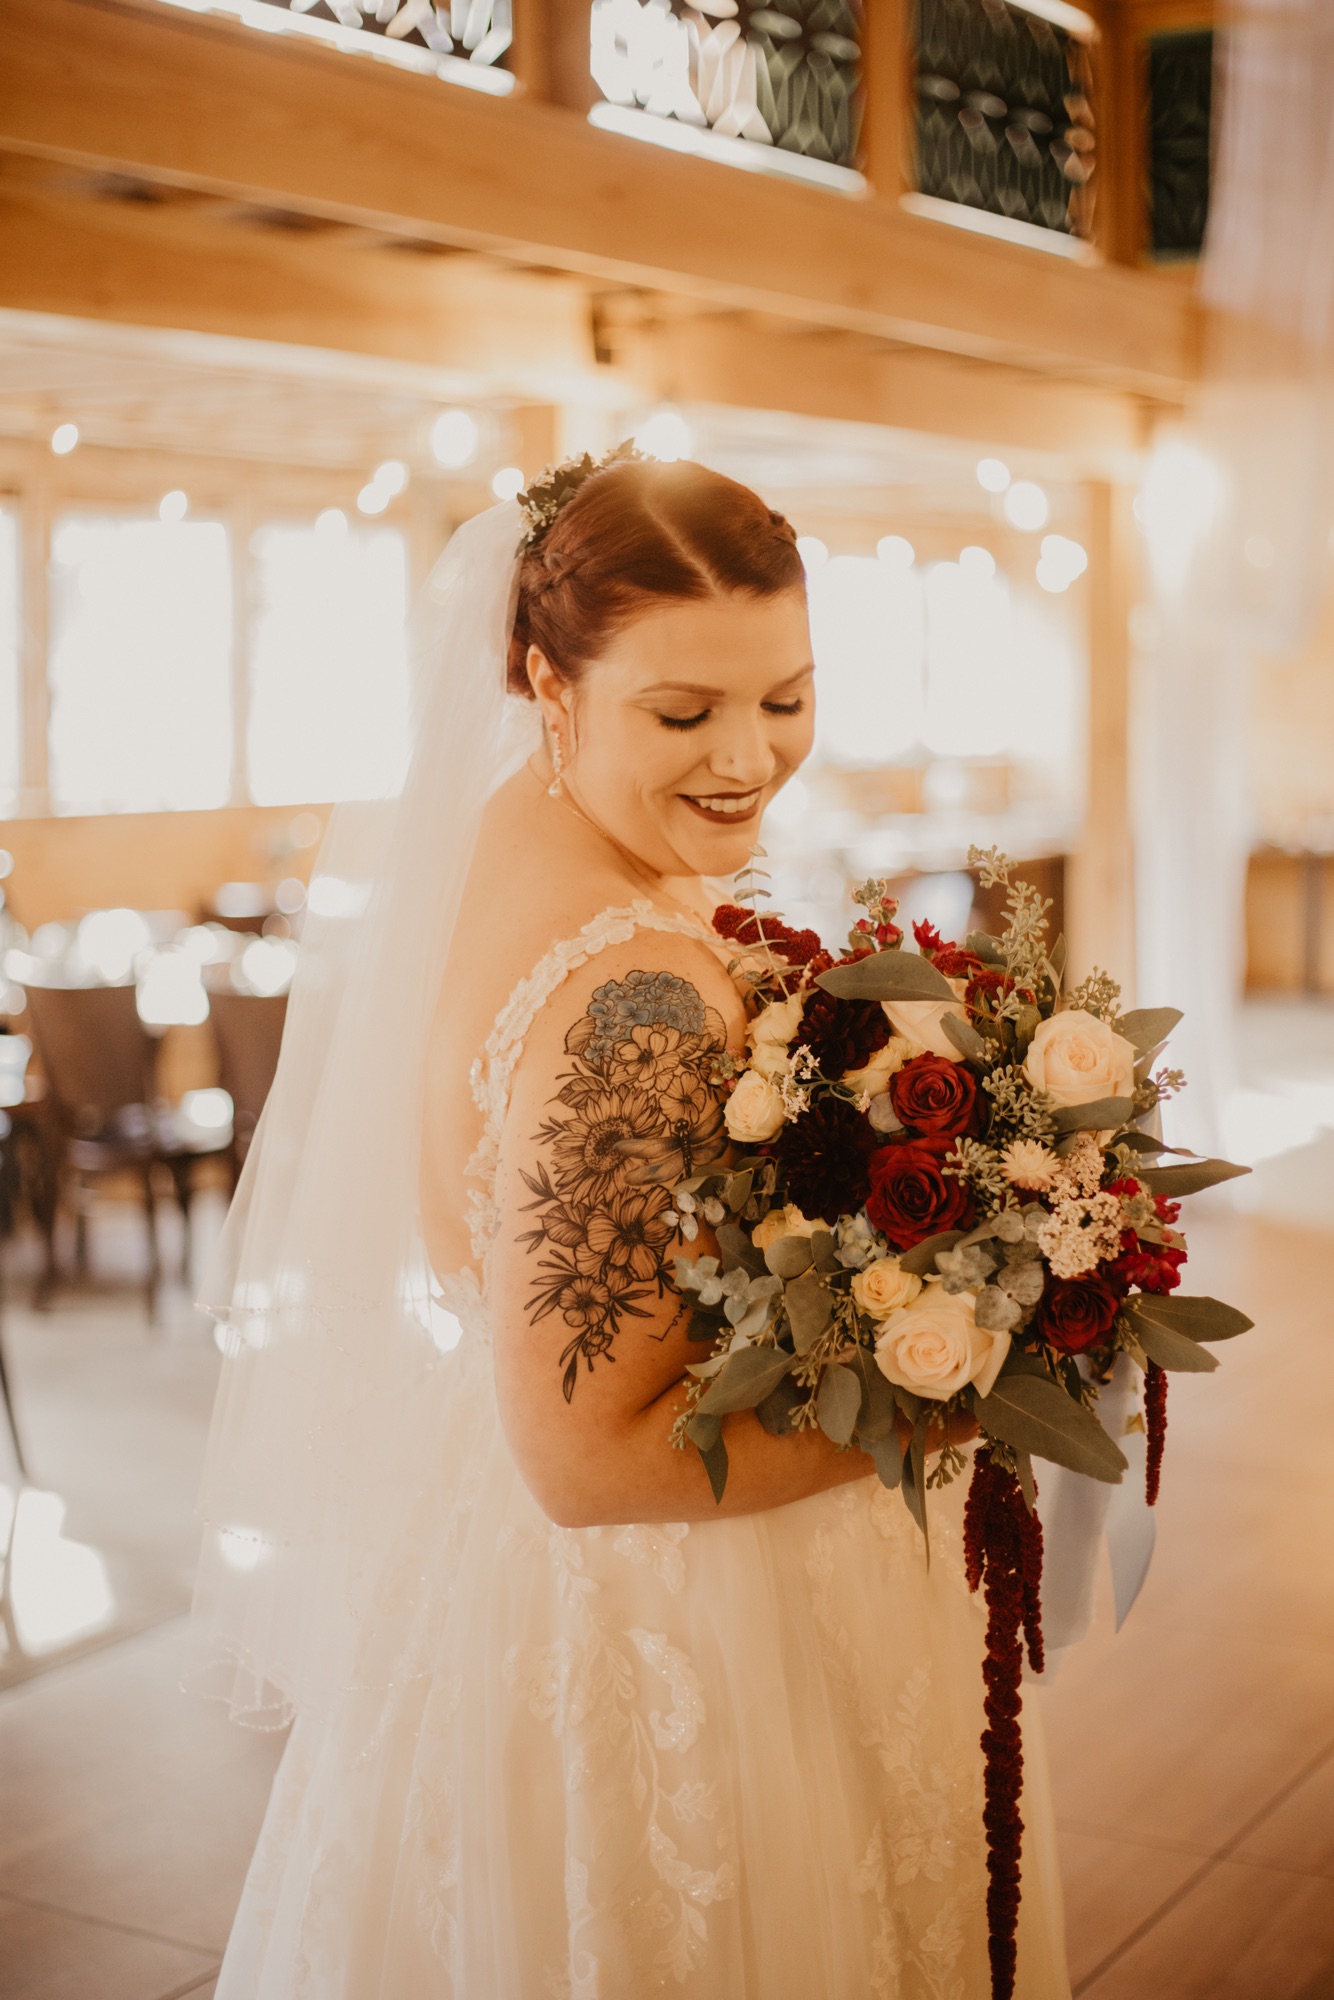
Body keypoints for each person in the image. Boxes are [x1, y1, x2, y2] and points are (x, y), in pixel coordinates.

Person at [192, 451, 1072, 1997]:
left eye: (785, 698)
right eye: (682, 714)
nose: (746, 757)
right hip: (670, 1623)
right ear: (548, 682)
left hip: (490, 1552)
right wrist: (957, 1396)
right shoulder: (639, 1000)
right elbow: (588, 1460)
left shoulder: (498, 840)